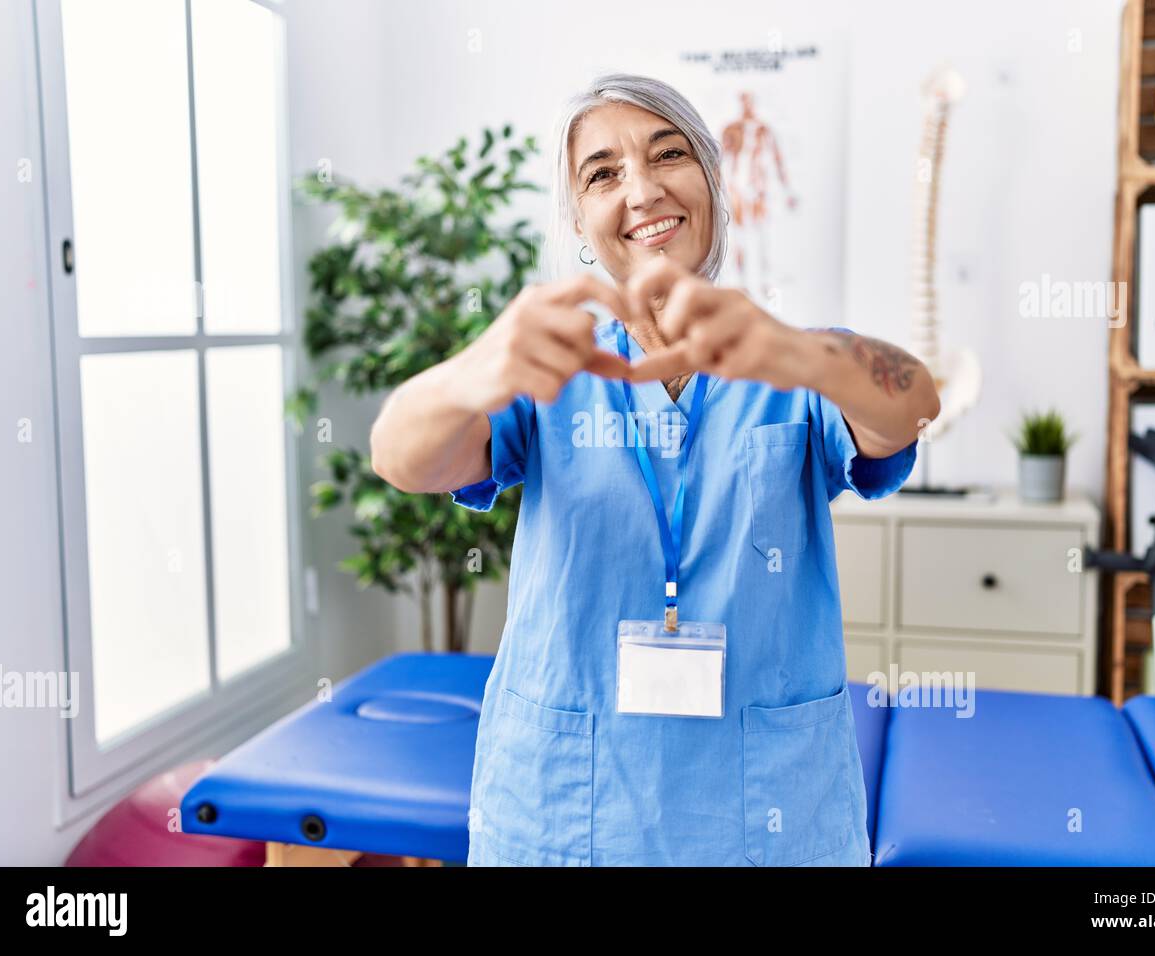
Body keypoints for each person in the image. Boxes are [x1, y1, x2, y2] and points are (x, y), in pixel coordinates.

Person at [370, 73, 941, 866]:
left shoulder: (797, 362)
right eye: (602, 173)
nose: (640, 190)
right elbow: (401, 456)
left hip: (768, 814)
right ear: (578, 218)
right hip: (564, 809)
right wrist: (479, 362)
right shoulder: (542, 374)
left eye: (667, 155)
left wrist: (801, 352)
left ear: (710, 182)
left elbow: (911, 404)